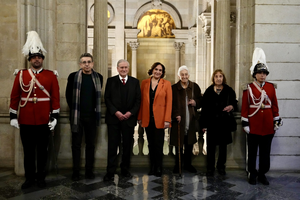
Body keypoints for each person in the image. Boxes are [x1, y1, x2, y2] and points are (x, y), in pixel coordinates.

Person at [9, 31, 60, 189]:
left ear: (42, 59)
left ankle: (41, 178)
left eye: (39, 57)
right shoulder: (21, 75)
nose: (36, 59)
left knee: (43, 152)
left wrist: (54, 118)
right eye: (33, 57)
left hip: (44, 120)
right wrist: (13, 116)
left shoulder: (51, 76)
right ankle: (29, 178)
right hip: (26, 120)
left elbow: (55, 98)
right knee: (29, 152)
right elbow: (15, 96)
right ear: (30, 60)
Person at [241, 48, 282, 185]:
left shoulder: (271, 87)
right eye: (260, 73)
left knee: (265, 152)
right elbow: (245, 107)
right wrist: (245, 124)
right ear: (255, 74)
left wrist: (276, 119)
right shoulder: (248, 88)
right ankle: (252, 173)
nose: (262, 75)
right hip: (254, 125)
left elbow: (274, 105)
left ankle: (262, 173)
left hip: (268, 126)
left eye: (264, 73)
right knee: (252, 152)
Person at [66, 53, 103, 181]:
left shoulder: (99, 77)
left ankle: (89, 171)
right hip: (77, 117)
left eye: (89, 62)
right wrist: (75, 111)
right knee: (76, 145)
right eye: (84, 62)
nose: (87, 64)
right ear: (80, 64)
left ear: (92, 63)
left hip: (92, 117)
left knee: (90, 145)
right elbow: (68, 95)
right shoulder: (73, 77)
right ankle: (76, 171)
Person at [104, 59, 141, 181]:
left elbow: (138, 100)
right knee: (112, 146)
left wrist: (130, 113)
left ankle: (125, 169)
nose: (124, 69)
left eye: (125, 67)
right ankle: (110, 171)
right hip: (114, 119)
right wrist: (116, 112)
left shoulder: (135, 82)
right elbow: (107, 98)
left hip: (129, 120)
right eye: (121, 67)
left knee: (127, 146)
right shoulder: (110, 81)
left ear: (128, 69)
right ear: (117, 68)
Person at [200, 69, 237, 176]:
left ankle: (221, 167)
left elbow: (234, 102)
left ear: (223, 78)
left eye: (220, 76)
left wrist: (232, 106)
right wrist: (203, 125)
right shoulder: (208, 91)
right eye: (216, 76)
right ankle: (210, 168)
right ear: (213, 78)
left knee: (223, 147)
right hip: (212, 123)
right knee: (210, 147)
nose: (218, 78)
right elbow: (204, 109)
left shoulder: (229, 90)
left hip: (224, 123)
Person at [138, 62, 172, 177]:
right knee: (150, 144)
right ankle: (152, 167)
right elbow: (141, 102)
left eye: (160, 70)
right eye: (156, 69)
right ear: (152, 70)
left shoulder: (166, 84)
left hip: (160, 119)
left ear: (162, 73)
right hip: (148, 118)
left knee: (159, 144)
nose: (158, 72)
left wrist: (167, 119)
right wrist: (140, 117)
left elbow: (169, 103)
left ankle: (158, 167)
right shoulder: (144, 83)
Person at [170, 66, 202, 174]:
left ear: (188, 75)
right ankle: (177, 165)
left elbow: (201, 100)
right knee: (178, 144)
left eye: (186, 74)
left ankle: (188, 164)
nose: (184, 76)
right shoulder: (174, 88)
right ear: (179, 76)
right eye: (182, 74)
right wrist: (175, 114)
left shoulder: (194, 87)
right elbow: (171, 104)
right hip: (179, 120)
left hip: (191, 120)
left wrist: (195, 103)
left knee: (189, 144)